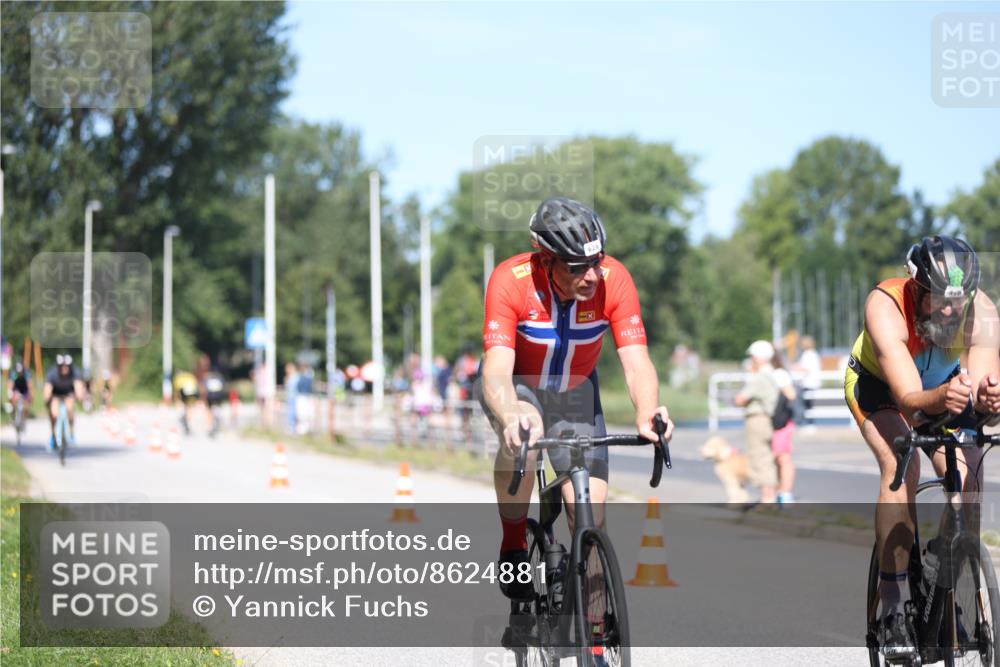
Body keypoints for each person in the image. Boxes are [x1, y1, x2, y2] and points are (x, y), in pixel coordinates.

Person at [478, 196, 674, 602]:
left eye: (596, 262)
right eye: (576, 267)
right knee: (524, 441)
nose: (591, 277)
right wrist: (510, 412)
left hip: (577, 391)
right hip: (521, 385)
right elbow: (496, 368)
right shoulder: (510, 280)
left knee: (589, 515)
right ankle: (513, 544)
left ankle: (597, 631)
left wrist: (647, 412)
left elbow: (637, 363)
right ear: (545, 260)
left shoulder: (615, 279)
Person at [844, 236, 1000, 660]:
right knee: (902, 462)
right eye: (939, 301)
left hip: (942, 390)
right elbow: (911, 401)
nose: (951, 311)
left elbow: (983, 396)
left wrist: (988, 403)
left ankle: (945, 576)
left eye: (959, 301)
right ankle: (894, 607)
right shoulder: (886, 306)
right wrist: (947, 399)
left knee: (969, 471)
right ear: (917, 289)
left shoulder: (981, 311)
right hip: (883, 390)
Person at [734, 340, 780, 504]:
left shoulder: (760, 377)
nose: (751, 360)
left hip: (757, 419)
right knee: (765, 456)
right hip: (765, 419)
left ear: (759, 357)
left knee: (760, 457)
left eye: (753, 357)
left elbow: (740, 399)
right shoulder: (770, 374)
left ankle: (768, 498)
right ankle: (770, 496)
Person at [771, 350, 797, 504]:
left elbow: (791, 394)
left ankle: (785, 492)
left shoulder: (779, 374)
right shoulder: (768, 373)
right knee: (775, 459)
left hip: (781, 421)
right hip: (773, 422)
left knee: (783, 458)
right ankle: (778, 490)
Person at [43, 354, 84, 450]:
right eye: (62, 366)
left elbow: (78, 388)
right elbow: (47, 389)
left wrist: (79, 397)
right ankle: (53, 436)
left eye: (67, 366)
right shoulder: (52, 374)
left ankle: (71, 432)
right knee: (54, 414)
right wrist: (47, 399)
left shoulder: (75, 372)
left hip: (69, 394)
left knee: (70, 408)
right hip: (56, 394)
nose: (64, 368)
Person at [794, 335, 822, 428]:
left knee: (806, 404)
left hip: (808, 383)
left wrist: (796, 367)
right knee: (809, 405)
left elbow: (806, 369)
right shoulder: (814, 354)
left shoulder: (807, 354)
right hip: (813, 382)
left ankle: (807, 423)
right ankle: (809, 423)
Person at [173, 369, 200, 435]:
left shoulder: (178, 378)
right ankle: (189, 419)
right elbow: (196, 384)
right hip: (193, 391)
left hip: (184, 391)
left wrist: (177, 399)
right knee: (189, 405)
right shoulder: (190, 376)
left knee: (180, 399)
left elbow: (177, 390)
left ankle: (181, 413)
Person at [284, 362, 300, 434]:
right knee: (290, 413)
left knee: (295, 413)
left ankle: (294, 428)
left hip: (295, 397)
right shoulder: (289, 377)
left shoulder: (296, 377)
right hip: (290, 397)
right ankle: (291, 428)